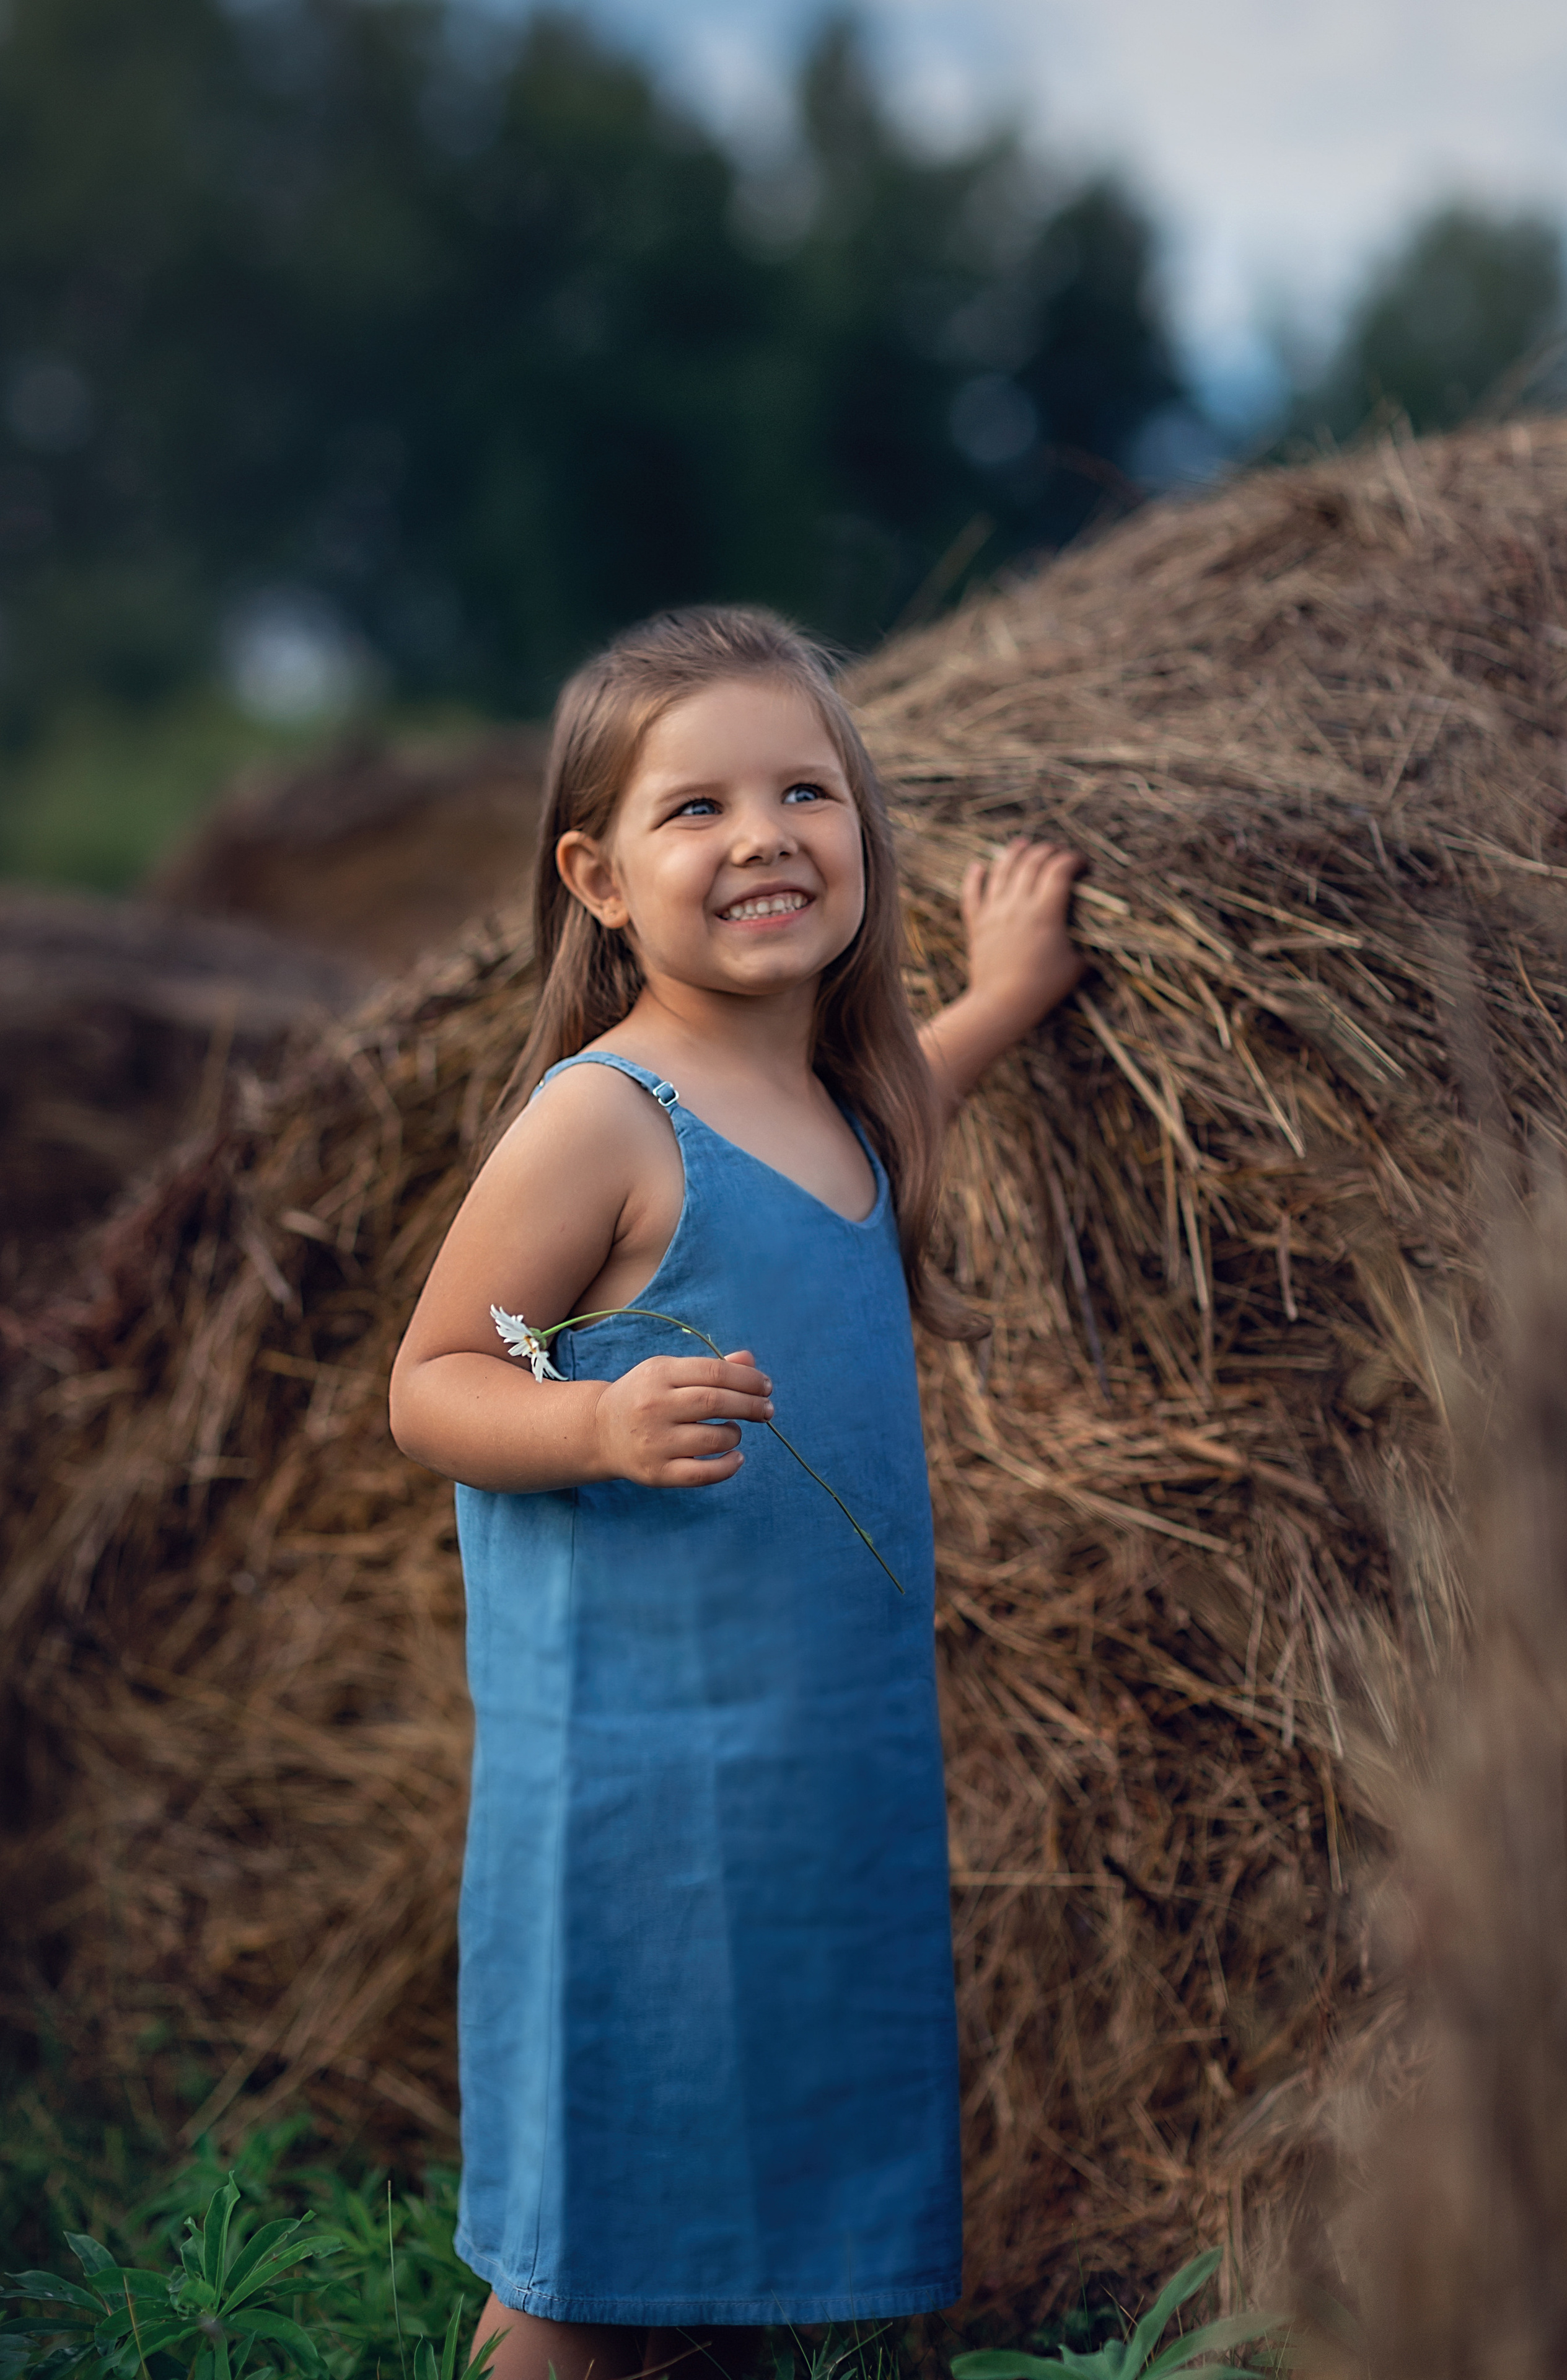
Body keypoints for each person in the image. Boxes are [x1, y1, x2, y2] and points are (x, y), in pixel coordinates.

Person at [388, 606, 1084, 2380]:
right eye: (696, 808)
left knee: (730, 2234)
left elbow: (911, 1091)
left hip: (813, 1773)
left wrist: (1006, 990)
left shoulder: (841, 1101)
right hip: (631, 1787)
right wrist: (598, 1430)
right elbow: (433, 1384)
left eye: (807, 790)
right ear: (599, 877)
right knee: (590, 2263)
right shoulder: (602, 1119)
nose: (766, 834)